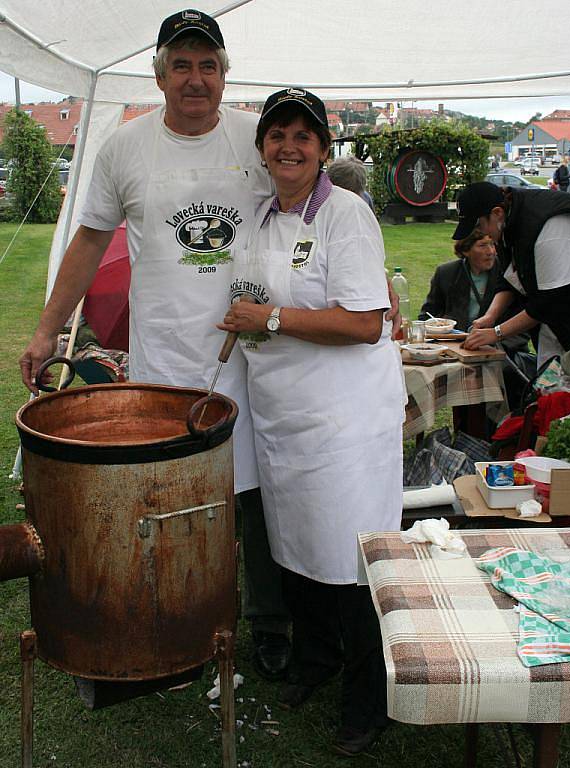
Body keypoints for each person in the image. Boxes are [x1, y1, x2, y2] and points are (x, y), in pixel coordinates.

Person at [18, 9, 292, 681]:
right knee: (166, 492)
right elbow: (89, 239)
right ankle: (170, 612)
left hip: (253, 354)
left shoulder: (254, 138)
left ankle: (269, 626)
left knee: (256, 496)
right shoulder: (125, 147)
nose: (194, 79)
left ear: (225, 74)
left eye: (207, 65)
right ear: (160, 73)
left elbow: (300, 212)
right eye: (181, 65)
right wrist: (49, 325)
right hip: (164, 357)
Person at [218, 88, 405, 756]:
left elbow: (364, 322)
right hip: (283, 419)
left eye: (304, 136)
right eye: (277, 135)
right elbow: (256, 297)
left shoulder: (345, 214)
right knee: (296, 551)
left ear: (325, 149)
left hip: (344, 426)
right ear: (263, 148)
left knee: (351, 561)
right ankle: (315, 661)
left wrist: (267, 318)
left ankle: (370, 699)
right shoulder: (264, 217)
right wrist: (250, 310)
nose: (289, 147)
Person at [453, 182, 570, 367]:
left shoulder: (549, 230)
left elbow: (550, 303)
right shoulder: (508, 226)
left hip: (565, 317)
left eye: (479, 225)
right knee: (551, 391)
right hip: (554, 325)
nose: (480, 234)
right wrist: (490, 317)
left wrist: (497, 333)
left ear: (497, 213)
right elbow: (510, 278)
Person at [418, 228, 535, 408]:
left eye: (492, 244)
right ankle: (465, 431)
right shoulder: (447, 273)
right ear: (466, 250)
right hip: (457, 349)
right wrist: (442, 330)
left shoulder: (506, 274)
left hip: (502, 349)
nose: (491, 251)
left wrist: (497, 341)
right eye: (482, 245)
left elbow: (525, 319)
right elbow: (427, 315)